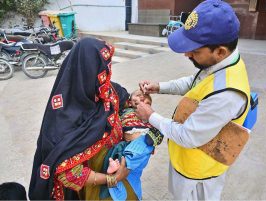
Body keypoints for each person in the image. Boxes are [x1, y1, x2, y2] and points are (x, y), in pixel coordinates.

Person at [136, 0, 251, 200]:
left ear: (220, 51)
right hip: (188, 161)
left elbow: (187, 136)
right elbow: (195, 82)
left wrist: (150, 116)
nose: (187, 54)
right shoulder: (222, 64)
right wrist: (160, 87)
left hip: (199, 173)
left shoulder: (227, 95)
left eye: (195, 51)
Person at [29, 37, 136, 200]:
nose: (106, 74)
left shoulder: (107, 90)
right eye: (101, 69)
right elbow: (68, 173)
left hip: (123, 173)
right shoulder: (62, 119)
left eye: (107, 67)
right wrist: (112, 179)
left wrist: (131, 130)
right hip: (91, 191)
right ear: (87, 71)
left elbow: (127, 103)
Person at [100, 89, 163, 200]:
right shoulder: (123, 113)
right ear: (129, 103)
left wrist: (154, 139)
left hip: (144, 143)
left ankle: (115, 174)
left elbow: (161, 130)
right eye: (138, 95)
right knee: (129, 171)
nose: (142, 97)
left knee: (139, 152)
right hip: (128, 146)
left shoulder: (150, 117)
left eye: (146, 99)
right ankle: (117, 178)